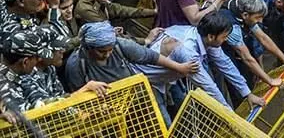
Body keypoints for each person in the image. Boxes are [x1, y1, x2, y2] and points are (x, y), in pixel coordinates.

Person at [132, 11, 265, 126]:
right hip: (144, 81)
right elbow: (208, 86)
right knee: (163, 124)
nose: (226, 40)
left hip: (163, 81)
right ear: (211, 36)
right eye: (224, 37)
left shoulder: (204, 37)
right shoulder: (187, 50)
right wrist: (232, 117)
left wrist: (247, 94)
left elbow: (226, 64)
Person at [65, 21, 199, 94]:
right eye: (101, 52)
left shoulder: (120, 45)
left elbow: (151, 56)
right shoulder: (76, 64)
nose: (107, 54)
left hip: (135, 95)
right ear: (89, 48)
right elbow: (76, 95)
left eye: (110, 50)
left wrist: (179, 67)